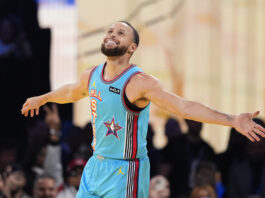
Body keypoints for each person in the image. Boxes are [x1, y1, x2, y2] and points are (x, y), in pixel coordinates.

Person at [21, 21, 265, 198]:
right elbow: (71, 92)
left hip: (126, 169)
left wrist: (232, 119)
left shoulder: (140, 82)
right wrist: (42, 98)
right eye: (110, 31)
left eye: (121, 33)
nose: (112, 34)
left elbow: (184, 107)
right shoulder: (92, 74)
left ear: (132, 47)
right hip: (95, 164)